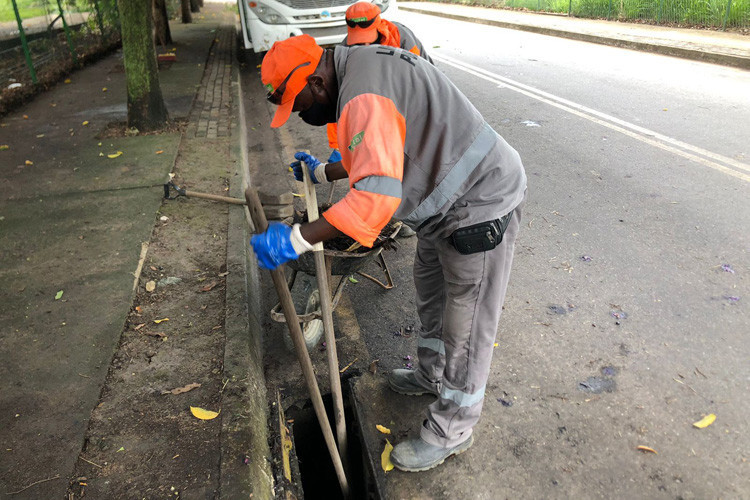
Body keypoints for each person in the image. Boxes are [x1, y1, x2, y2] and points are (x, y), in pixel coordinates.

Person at [252, 34, 527, 472]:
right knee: (430, 293)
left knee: (467, 325)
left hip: (479, 204)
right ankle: (431, 375)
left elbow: (373, 200)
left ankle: (452, 429)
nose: (302, 116)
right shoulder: (357, 66)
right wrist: (322, 170)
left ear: (318, 83)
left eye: (299, 105)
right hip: (445, 208)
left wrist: (297, 238)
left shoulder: (361, 93)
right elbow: (379, 149)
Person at [323, 1, 432, 234]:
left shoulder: (402, 38)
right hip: (380, 105)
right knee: (382, 157)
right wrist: (339, 146)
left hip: (411, 98)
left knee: (411, 157)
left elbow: (419, 76)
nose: (362, 45)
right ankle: (390, 209)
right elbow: (343, 105)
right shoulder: (345, 50)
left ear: (379, 24)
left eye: (367, 39)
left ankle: (415, 215)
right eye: (357, 40)